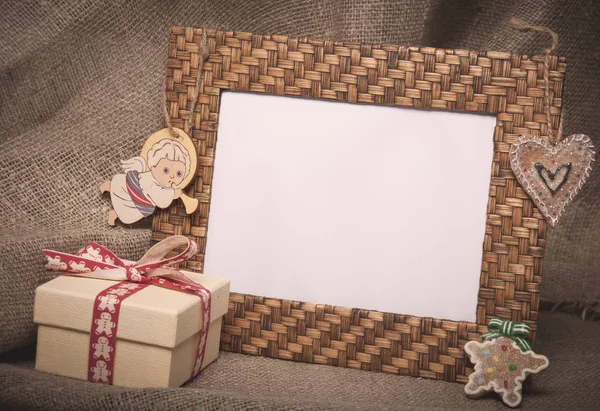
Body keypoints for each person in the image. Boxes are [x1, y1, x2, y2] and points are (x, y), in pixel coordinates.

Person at [100, 139, 191, 225]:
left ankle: (114, 213)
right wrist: (173, 194)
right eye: (166, 170)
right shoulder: (152, 181)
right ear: (153, 166)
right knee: (122, 198)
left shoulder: (159, 185)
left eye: (179, 174)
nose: (172, 176)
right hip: (132, 192)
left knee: (126, 212)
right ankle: (109, 186)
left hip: (137, 204)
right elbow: (160, 200)